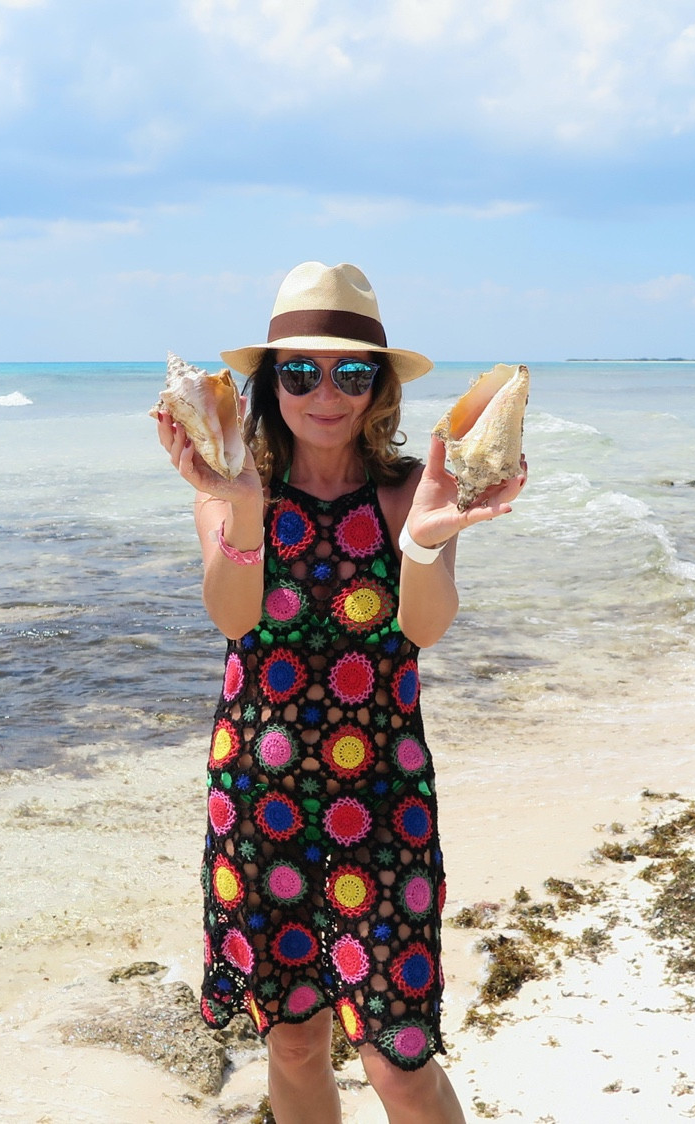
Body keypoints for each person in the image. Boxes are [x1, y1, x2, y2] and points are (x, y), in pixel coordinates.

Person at [154, 262, 525, 1124]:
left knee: (396, 1055)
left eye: (351, 372)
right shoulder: (229, 485)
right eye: (300, 372)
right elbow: (232, 618)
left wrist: (425, 543)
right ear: (268, 382)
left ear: (379, 387)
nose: (326, 392)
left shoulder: (407, 493)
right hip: (258, 798)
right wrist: (241, 507)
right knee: (290, 1036)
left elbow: (425, 629)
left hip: (383, 803)